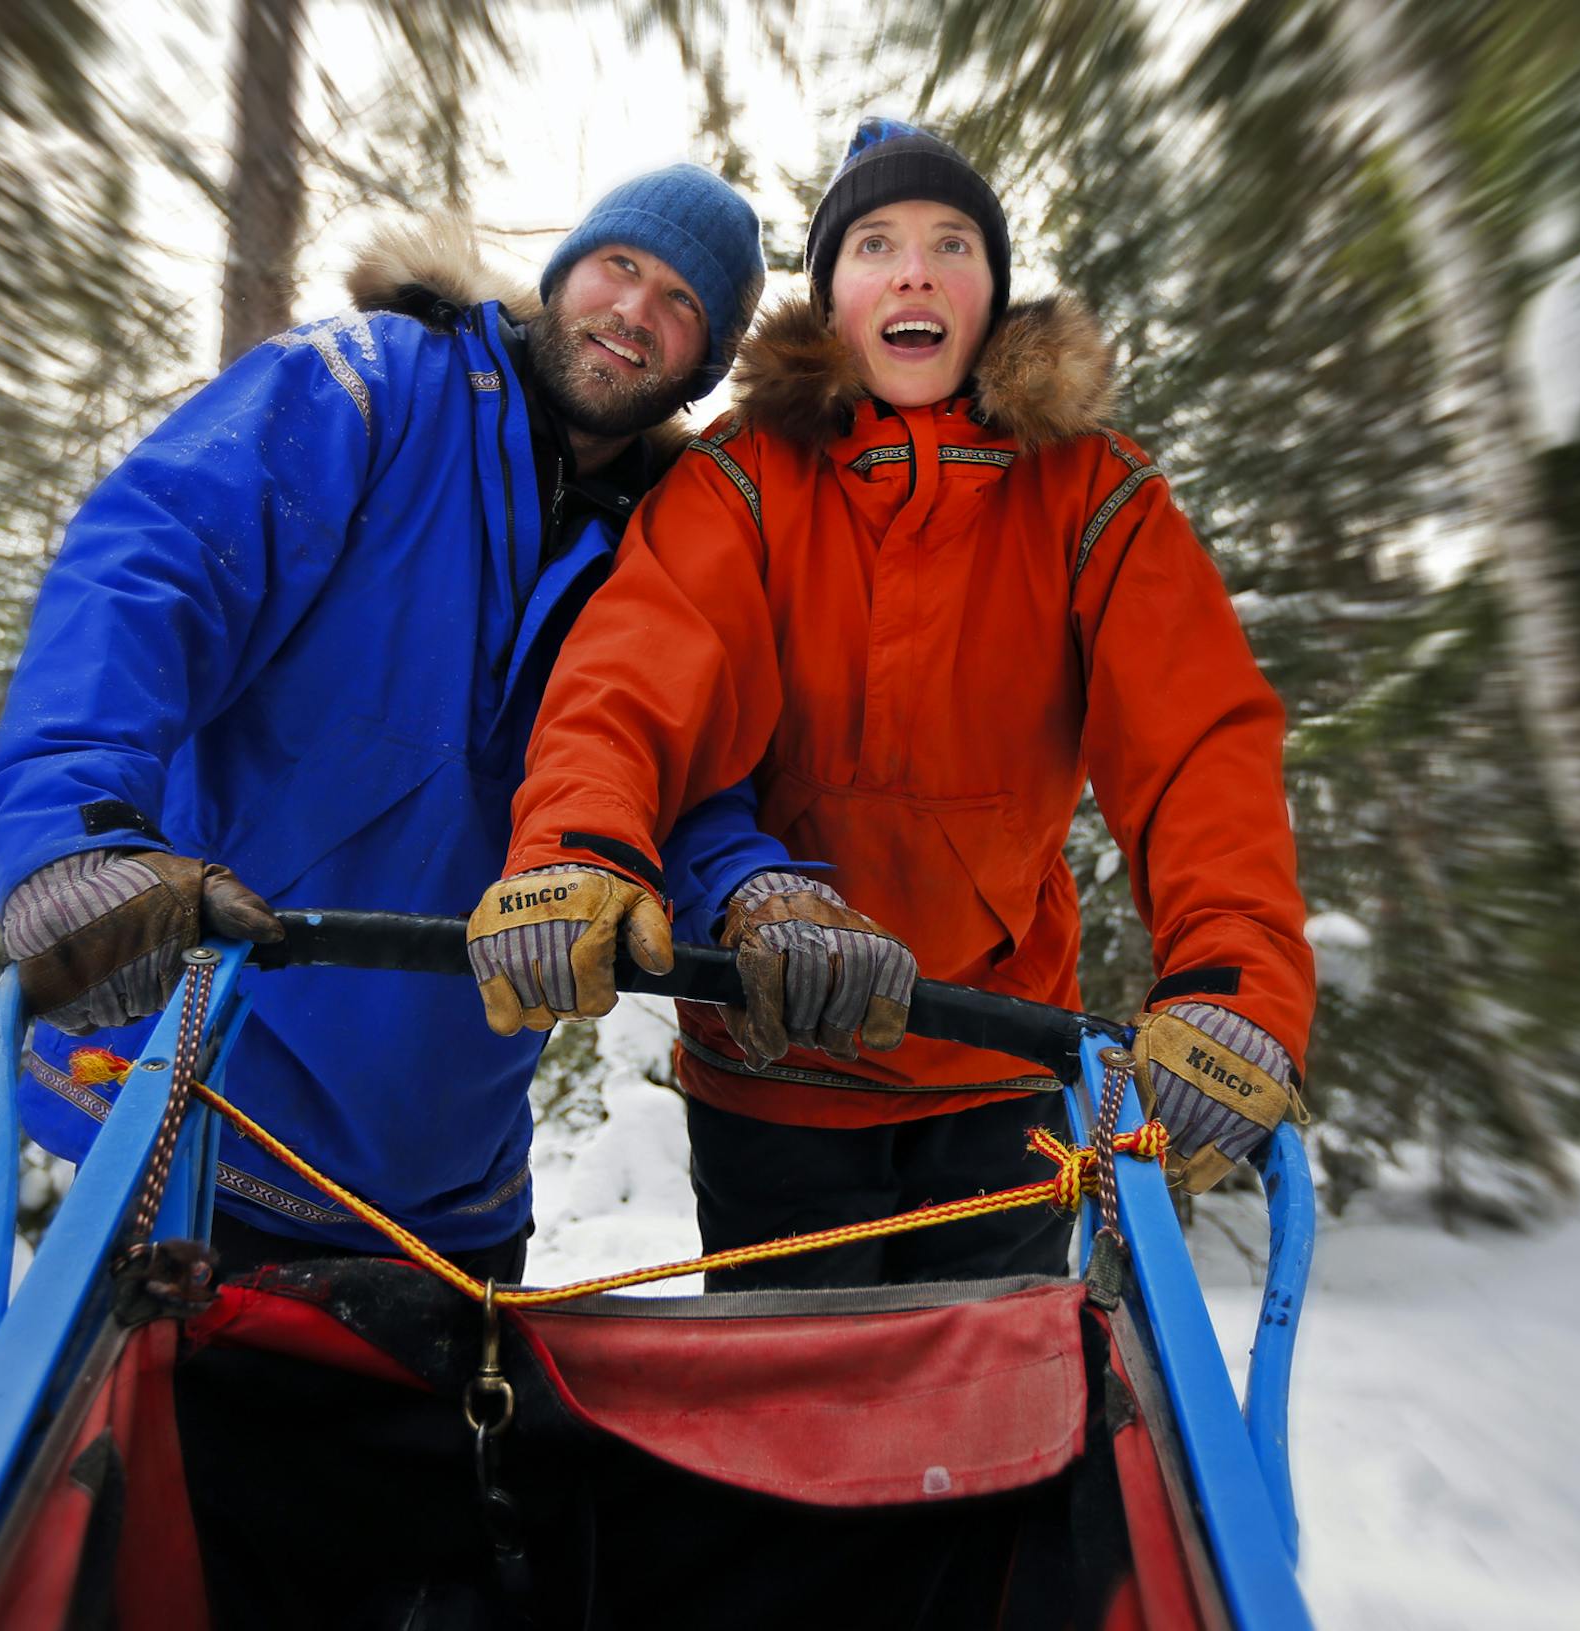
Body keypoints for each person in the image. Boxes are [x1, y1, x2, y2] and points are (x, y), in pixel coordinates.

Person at [468, 119, 1317, 1289]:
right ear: (834, 296)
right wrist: (575, 843)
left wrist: (1233, 978)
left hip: (1002, 1055)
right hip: (775, 1051)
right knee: (786, 1423)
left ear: (992, 292)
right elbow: (632, 674)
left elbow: (1197, 743)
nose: (913, 269)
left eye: (950, 242)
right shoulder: (745, 477)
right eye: (875, 243)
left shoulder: (1092, 494)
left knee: (989, 1421)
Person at [0, 165, 773, 1283]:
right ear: (564, 273)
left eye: (683, 303)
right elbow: (154, 567)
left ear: (710, 362)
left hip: (448, 1169)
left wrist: (755, 890)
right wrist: (73, 824)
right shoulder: (376, 382)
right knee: (122, 1454)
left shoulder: (675, 538)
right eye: (620, 267)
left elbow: (679, 764)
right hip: (195, 1096)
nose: (637, 312)